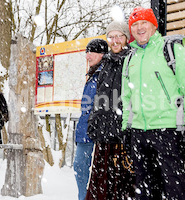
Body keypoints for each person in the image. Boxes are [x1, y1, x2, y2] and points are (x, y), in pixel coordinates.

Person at [121, 7, 185, 199]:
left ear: (153, 26)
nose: (139, 28)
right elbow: (127, 98)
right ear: (131, 30)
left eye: (144, 23)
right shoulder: (130, 58)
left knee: (174, 190)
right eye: (135, 25)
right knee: (145, 191)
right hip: (140, 133)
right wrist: (126, 128)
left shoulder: (173, 50)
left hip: (168, 132)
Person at [85, 21, 135, 199]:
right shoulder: (104, 64)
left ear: (126, 38)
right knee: (101, 183)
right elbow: (100, 97)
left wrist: (128, 128)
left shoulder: (132, 60)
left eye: (119, 36)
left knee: (122, 183)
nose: (115, 41)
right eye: (111, 37)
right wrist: (93, 121)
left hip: (123, 133)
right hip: (103, 133)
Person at [73, 38, 108, 200]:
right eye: (86, 52)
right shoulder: (93, 73)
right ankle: (84, 196)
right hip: (85, 130)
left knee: (92, 169)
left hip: (95, 131)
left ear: (102, 54)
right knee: (80, 166)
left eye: (91, 52)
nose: (87, 55)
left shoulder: (104, 73)